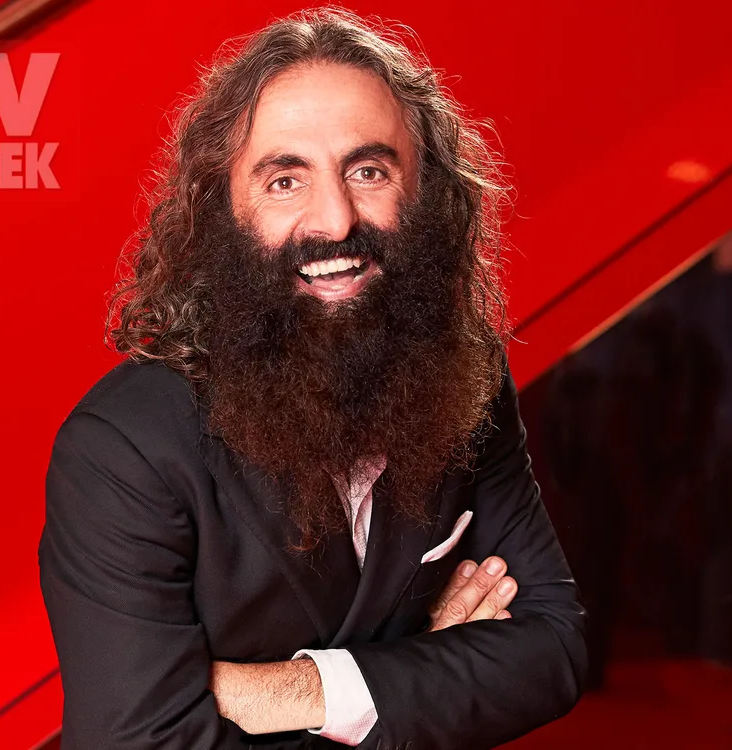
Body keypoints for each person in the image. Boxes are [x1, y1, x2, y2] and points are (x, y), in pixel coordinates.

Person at [38, 8, 587, 749]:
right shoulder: (122, 452)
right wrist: (423, 668)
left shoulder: (468, 374)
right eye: (285, 180)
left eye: (368, 171)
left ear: (426, 192)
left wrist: (282, 692)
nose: (333, 220)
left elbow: (551, 649)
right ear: (222, 213)